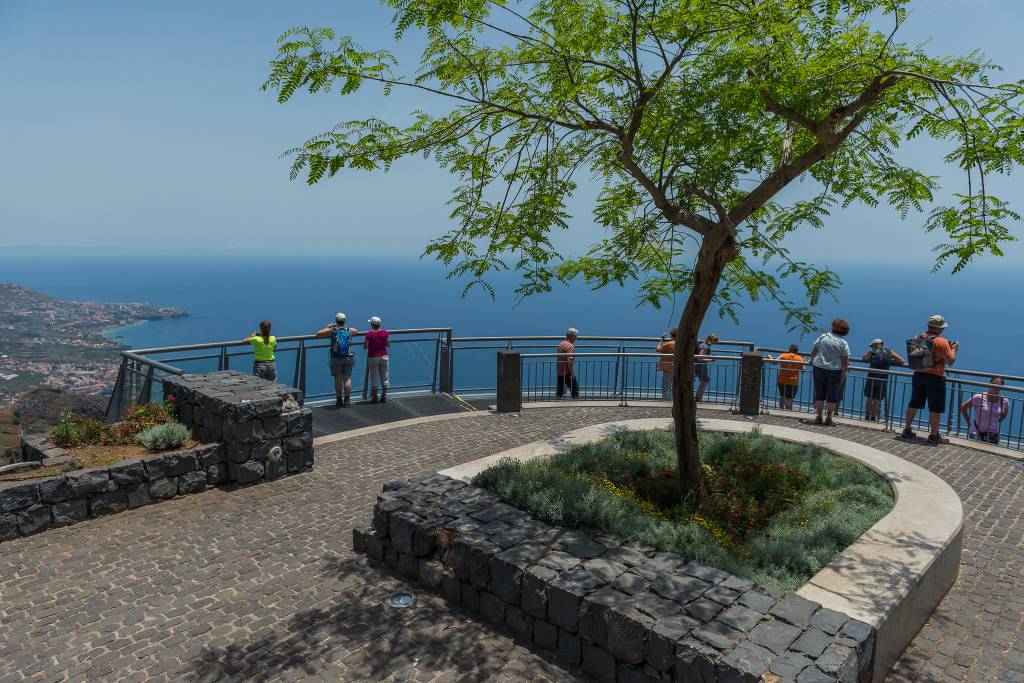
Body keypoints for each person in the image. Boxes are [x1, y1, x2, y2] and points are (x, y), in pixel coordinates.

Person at [902, 314, 958, 444]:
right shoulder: (942, 342)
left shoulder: (918, 337)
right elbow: (950, 361)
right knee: (935, 407)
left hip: (918, 375)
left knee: (913, 403)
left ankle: (907, 429)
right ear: (940, 328)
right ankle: (933, 436)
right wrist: (953, 349)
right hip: (935, 378)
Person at [809, 319, 851, 425]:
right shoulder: (843, 342)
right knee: (832, 395)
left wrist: (811, 359)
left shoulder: (824, 336)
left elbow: (815, 349)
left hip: (819, 366)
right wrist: (843, 373)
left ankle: (819, 416)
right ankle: (828, 418)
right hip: (834, 370)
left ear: (833, 326)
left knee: (819, 393)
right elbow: (845, 361)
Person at [315, 313, 359, 407]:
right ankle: (347, 400)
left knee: (337, 379)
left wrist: (328, 327)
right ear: (344, 321)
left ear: (336, 320)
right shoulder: (348, 330)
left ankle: (339, 400)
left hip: (336, 357)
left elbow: (318, 334)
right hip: (348, 357)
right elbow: (356, 331)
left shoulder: (333, 330)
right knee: (347, 379)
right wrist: (346, 327)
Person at [861, 339, 905, 422]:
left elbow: (864, 359)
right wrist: (890, 360)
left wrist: (871, 352)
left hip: (872, 377)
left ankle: (867, 417)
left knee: (870, 398)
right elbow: (901, 361)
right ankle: (873, 418)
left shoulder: (872, 352)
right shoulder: (889, 351)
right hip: (883, 379)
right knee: (877, 399)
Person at [960, 376, 1008, 445]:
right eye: (994, 383)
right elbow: (963, 408)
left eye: (999, 385)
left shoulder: (1004, 401)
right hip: (976, 432)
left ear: (1002, 387)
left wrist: (996, 422)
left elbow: (1004, 414)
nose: (996, 386)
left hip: (994, 435)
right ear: (989, 383)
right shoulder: (979, 397)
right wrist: (969, 424)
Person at [364, 316, 390, 404]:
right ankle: (384, 395)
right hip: (384, 356)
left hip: (373, 357)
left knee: (374, 376)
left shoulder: (369, 334)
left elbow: (365, 347)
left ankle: (375, 397)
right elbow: (388, 344)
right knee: (385, 375)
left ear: (372, 324)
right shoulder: (384, 333)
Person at [774, 344, 804, 410]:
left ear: (789, 349)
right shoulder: (800, 358)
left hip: (782, 380)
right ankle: (788, 412)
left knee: (782, 396)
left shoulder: (783, 355)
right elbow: (803, 369)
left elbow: (774, 362)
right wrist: (804, 361)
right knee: (789, 398)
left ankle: (781, 410)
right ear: (797, 351)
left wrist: (770, 357)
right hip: (793, 381)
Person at [694, 333, 720, 402]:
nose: (714, 343)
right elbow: (700, 358)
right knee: (705, 381)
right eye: (715, 341)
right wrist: (711, 360)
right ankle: (698, 399)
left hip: (696, 365)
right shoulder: (705, 346)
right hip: (700, 366)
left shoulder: (702, 344)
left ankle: (697, 398)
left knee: (704, 381)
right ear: (712, 340)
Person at [556, 328, 579, 399]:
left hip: (559, 370)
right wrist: (572, 373)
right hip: (567, 372)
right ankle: (575, 404)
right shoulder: (570, 346)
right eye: (576, 336)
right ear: (572, 336)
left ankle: (557, 404)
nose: (576, 338)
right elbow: (569, 360)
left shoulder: (561, 344)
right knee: (575, 390)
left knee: (560, 391)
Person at [656, 329, 676, 401]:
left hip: (668, 367)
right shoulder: (680, 343)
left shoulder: (669, 344)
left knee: (666, 386)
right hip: (676, 366)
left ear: (671, 335)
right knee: (675, 386)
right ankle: (675, 400)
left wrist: (662, 339)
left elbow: (658, 349)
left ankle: (666, 401)